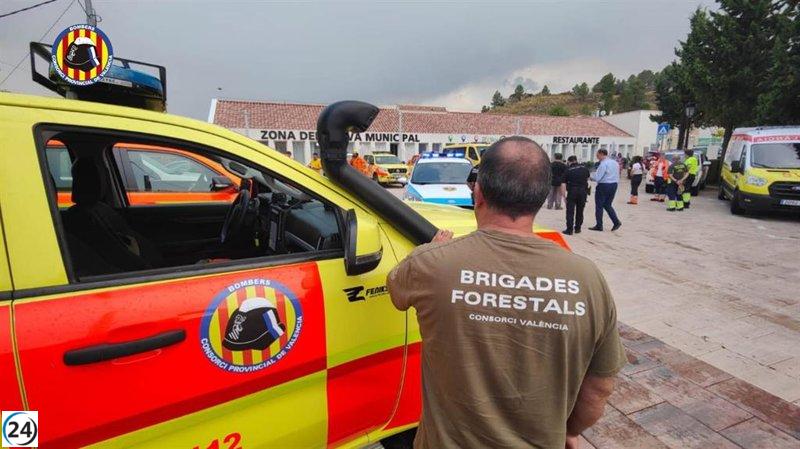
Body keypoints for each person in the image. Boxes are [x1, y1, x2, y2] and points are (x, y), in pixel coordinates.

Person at [387, 137, 626, 449]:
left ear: (478, 192)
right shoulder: (587, 278)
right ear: (542, 197)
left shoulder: (431, 263)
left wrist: (432, 251)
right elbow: (600, 387)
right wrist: (569, 430)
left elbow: (396, 290)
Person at [589, 149, 622, 232]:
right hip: (614, 184)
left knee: (599, 205)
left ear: (601, 154)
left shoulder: (603, 164)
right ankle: (616, 221)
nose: (597, 156)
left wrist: (590, 177)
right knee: (607, 204)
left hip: (604, 185)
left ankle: (599, 225)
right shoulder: (615, 163)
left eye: (597, 155)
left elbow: (597, 177)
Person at [563, 155, 590, 235]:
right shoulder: (585, 168)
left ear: (569, 161)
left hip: (572, 191)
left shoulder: (568, 170)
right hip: (583, 191)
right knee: (580, 210)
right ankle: (578, 228)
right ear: (576, 160)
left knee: (570, 211)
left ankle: (569, 230)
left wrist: (563, 196)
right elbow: (587, 179)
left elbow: (563, 184)